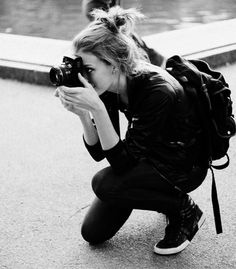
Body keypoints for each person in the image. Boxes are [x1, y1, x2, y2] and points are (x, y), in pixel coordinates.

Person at [55, 7, 208, 255]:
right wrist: (84, 113)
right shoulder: (107, 84)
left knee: (104, 183)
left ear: (114, 65)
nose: (83, 76)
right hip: (146, 158)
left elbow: (122, 164)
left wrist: (98, 108)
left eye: (89, 69)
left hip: (183, 167)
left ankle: (184, 209)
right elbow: (98, 151)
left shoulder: (157, 90)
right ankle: (158, 197)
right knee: (93, 232)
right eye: (80, 68)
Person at [81, 0, 166, 67]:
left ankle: (157, 62)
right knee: (115, 35)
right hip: (96, 7)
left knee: (130, 37)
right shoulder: (93, 7)